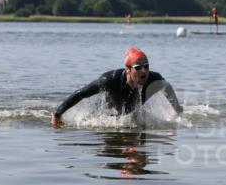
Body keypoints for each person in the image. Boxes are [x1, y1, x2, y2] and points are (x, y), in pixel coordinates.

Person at [51, 48, 182, 127]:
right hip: (107, 113)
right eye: (138, 68)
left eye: (146, 66)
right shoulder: (109, 80)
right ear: (128, 69)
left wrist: (177, 109)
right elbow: (81, 93)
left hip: (132, 113)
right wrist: (57, 114)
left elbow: (167, 88)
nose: (144, 71)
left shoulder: (154, 79)